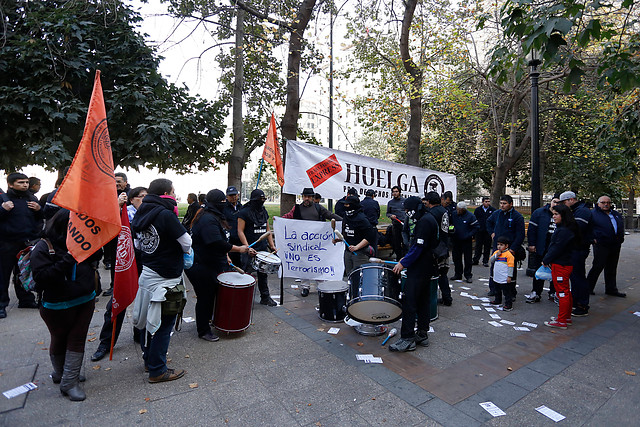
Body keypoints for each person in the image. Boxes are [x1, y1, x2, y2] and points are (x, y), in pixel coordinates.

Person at [31, 209, 100, 401]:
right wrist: (68, 259)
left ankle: (69, 380)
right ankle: (61, 374)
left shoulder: (85, 243)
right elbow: (42, 278)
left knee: (77, 339)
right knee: (59, 338)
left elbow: (95, 261)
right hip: (56, 305)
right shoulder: (43, 247)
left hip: (85, 299)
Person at [132, 178, 191, 383]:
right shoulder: (165, 214)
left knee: (148, 322)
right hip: (166, 278)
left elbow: (138, 245)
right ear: (166, 193)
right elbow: (187, 242)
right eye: (173, 191)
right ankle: (157, 370)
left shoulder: (142, 212)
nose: (175, 195)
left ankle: (149, 360)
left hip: (148, 273)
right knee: (164, 325)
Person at [186, 189, 251, 341]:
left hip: (211, 262)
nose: (225, 204)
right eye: (222, 202)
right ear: (216, 203)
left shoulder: (211, 215)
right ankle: (203, 330)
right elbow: (215, 242)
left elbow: (219, 240)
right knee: (205, 297)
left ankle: (209, 320)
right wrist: (238, 249)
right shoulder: (208, 219)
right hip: (202, 265)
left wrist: (226, 255)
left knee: (211, 295)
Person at [90, 187, 147, 362]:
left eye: (147, 196)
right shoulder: (122, 215)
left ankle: (140, 334)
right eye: (141, 197)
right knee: (116, 305)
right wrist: (116, 207)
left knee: (144, 304)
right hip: (124, 266)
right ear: (131, 200)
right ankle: (106, 343)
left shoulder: (152, 214)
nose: (145, 200)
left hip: (145, 266)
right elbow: (103, 225)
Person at [390, 196, 438, 352]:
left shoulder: (424, 222)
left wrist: (403, 263)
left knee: (409, 301)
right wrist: (407, 257)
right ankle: (422, 333)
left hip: (419, 268)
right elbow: (417, 246)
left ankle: (407, 338)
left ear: (415, 208)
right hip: (426, 265)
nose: (406, 213)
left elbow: (419, 247)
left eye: (407, 210)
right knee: (423, 300)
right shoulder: (427, 218)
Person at [282, 188, 342, 296]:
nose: (307, 199)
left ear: (313, 198)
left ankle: (321, 285)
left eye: (309, 197)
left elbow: (330, 215)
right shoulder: (296, 208)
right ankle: (305, 286)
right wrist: (278, 220)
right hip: (302, 243)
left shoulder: (318, 208)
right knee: (303, 262)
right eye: (305, 196)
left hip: (317, 243)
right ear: (302, 197)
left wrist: (343, 221)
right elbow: (288, 217)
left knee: (318, 262)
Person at [0, 172, 42, 317]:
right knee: (3, 275)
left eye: (26, 182)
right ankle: (1, 305)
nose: (25, 185)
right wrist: (2, 210)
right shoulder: (2, 199)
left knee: (23, 273)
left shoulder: (32, 198)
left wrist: (38, 210)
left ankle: (26, 300)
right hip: (6, 244)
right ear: (11, 184)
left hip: (26, 243)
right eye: (20, 183)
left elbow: (39, 220)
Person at [237, 189, 278, 306]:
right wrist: (247, 247)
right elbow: (240, 231)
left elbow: (267, 230)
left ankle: (265, 297)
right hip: (249, 247)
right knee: (246, 273)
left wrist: (272, 245)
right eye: (258, 200)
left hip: (262, 248)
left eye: (263, 200)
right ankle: (242, 297)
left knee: (263, 273)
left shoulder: (263, 211)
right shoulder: (244, 212)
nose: (261, 202)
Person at [543, 204, 580, 329]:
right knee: (565, 291)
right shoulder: (566, 228)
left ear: (563, 215)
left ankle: (562, 320)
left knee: (562, 292)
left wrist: (546, 259)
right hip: (564, 263)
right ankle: (566, 317)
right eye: (553, 214)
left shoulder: (564, 231)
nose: (553, 217)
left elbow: (557, 247)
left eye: (556, 214)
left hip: (561, 264)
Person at [559, 191, 593, 316]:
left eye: (564, 202)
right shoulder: (578, 210)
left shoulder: (582, 211)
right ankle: (576, 301)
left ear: (571, 200)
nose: (564, 205)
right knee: (574, 276)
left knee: (578, 277)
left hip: (578, 248)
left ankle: (582, 305)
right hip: (576, 248)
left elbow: (577, 229)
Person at [486, 195, 525, 298]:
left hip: (510, 248)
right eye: (501, 203)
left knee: (510, 269)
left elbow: (520, 235)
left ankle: (511, 292)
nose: (502, 206)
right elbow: (488, 222)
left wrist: (513, 248)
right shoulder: (497, 214)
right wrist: (492, 233)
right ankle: (494, 289)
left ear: (511, 204)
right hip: (497, 247)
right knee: (494, 268)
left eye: (504, 203)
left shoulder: (517, 217)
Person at [587, 195, 626, 297]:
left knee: (612, 267)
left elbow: (620, 226)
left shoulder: (615, 214)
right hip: (601, 244)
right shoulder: (593, 214)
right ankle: (588, 288)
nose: (606, 204)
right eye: (603, 202)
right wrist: (592, 239)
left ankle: (611, 289)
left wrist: (621, 238)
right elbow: (587, 228)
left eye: (608, 203)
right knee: (598, 266)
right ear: (598, 203)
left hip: (615, 244)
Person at [525, 193, 560, 303]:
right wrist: (532, 244)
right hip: (541, 247)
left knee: (555, 271)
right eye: (555, 201)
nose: (556, 204)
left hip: (556, 249)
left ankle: (553, 292)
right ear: (551, 201)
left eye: (559, 203)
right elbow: (532, 230)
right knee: (538, 271)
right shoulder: (539, 213)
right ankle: (536, 292)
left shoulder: (563, 215)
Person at [423, 191, 453, 306]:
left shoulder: (431, 213)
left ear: (429, 201)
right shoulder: (445, 211)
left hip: (435, 248)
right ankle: (447, 297)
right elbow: (449, 227)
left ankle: (432, 298)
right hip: (444, 246)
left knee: (434, 274)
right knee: (443, 274)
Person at [340, 195, 375, 276]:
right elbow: (346, 232)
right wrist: (339, 238)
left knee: (360, 277)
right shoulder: (346, 216)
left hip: (360, 254)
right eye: (344, 204)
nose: (345, 206)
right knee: (350, 276)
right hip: (348, 252)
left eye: (347, 204)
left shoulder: (362, 219)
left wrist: (357, 247)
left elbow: (369, 237)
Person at [450, 201, 479, 283]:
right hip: (456, 239)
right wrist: (451, 230)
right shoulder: (454, 214)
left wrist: (469, 235)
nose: (458, 211)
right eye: (457, 209)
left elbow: (476, 227)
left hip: (466, 240)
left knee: (468, 259)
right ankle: (458, 274)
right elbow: (451, 223)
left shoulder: (470, 216)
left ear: (464, 210)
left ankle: (468, 275)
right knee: (456, 258)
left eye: (460, 210)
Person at [488, 236, 516, 311]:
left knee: (506, 292)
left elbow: (511, 266)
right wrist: (497, 255)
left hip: (504, 277)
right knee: (497, 290)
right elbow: (491, 260)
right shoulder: (496, 253)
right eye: (498, 245)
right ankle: (497, 300)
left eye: (501, 245)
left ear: (506, 246)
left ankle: (508, 304)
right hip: (497, 276)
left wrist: (509, 276)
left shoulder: (508, 255)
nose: (499, 246)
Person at [472, 197, 496, 267]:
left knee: (487, 246)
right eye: (486, 201)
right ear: (482, 202)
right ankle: (476, 259)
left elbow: (493, 221)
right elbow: (475, 219)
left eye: (488, 201)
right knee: (478, 246)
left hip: (488, 231)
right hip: (479, 231)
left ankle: (485, 261)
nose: (487, 203)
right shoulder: (478, 210)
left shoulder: (492, 210)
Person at [386, 185, 407, 261]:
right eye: (393, 192)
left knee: (405, 242)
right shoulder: (390, 202)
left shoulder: (404, 201)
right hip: (395, 225)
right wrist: (391, 216)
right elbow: (387, 213)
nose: (394, 193)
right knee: (396, 242)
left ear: (399, 192)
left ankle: (405, 258)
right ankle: (398, 258)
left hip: (404, 224)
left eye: (396, 191)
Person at [360, 189, 380, 254]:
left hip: (363, 227)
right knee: (374, 246)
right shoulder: (375, 203)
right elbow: (378, 214)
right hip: (372, 227)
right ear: (373, 195)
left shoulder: (361, 203)